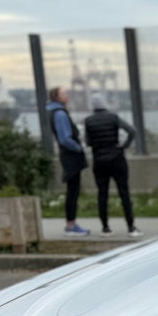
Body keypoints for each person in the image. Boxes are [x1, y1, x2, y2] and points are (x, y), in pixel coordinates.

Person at [84, 98, 140, 237]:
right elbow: (132, 131)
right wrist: (124, 146)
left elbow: (88, 141)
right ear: (105, 105)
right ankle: (131, 227)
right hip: (117, 158)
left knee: (102, 194)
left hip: (99, 160)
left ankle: (105, 228)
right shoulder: (113, 117)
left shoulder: (88, 121)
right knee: (124, 192)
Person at [45, 87, 89, 236]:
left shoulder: (55, 112)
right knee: (73, 191)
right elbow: (65, 138)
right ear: (56, 97)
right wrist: (78, 148)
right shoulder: (60, 114)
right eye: (63, 94)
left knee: (73, 190)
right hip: (70, 156)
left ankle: (71, 223)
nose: (66, 96)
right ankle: (71, 225)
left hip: (68, 155)